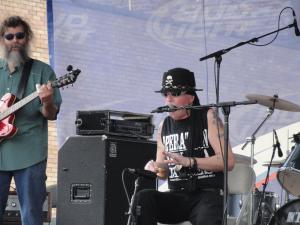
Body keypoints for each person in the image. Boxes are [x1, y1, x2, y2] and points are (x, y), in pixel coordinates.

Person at [134, 68, 235, 225]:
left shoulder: (208, 116)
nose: (168, 100)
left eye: (174, 94)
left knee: (207, 215)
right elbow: (163, 173)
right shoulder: (164, 126)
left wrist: (190, 161)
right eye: (165, 94)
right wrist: (154, 167)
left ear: (190, 97)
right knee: (144, 198)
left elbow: (228, 161)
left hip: (207, 194)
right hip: (178, 196)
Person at [0, 16, 62, 225]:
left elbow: (51, 114)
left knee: (32, 216)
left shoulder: (43, 72)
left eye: (20, 35)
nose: (15, 40)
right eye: (9, 36)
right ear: (3, 40)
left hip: (29, 154)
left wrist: (47, 101)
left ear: (27, 38)